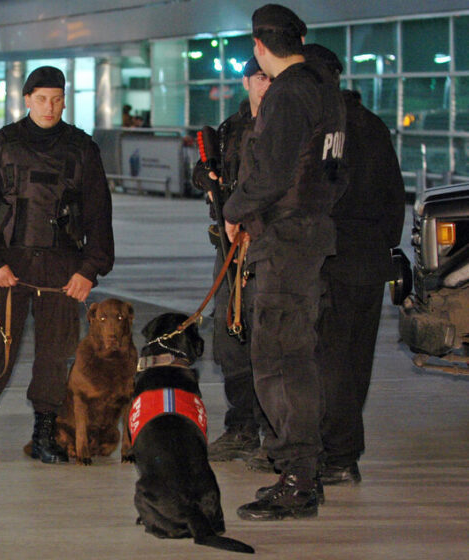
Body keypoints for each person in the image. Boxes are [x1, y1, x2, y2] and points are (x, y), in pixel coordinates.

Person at [0, 66, 114, 464]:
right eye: (42, 98)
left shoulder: (82, 149)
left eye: (57, 99)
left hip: (63, 270)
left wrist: (88, 270)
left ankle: (45, 434)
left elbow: (99, 214)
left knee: (56, 354)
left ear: (65, 101)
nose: (50, 107)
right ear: (27, 99)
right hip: (8, 266)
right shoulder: (0, 145)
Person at [223, 4, 347, 521]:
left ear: (259, 46)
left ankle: (297, 479)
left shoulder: (287, 94)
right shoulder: (326, 92)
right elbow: (335, 175)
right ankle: (301, 471)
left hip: (286, 241)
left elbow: (270, 175)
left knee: (278, 360)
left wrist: (234, 209)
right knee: (296, 355)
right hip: (311, 234)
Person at [302, 43, 406, 487]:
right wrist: (382, 247)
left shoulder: (324, 129)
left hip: (332, 258)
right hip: (369, 261)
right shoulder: (373, 125)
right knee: (356, 361)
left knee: (329, 362)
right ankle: (344, 452)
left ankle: (337, 454)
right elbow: (395, 197)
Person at [192, 57, 273, 470]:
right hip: (228, 255)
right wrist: (206, 180)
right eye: (260, 77)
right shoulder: (231, 128)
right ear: (246, 81)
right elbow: (202, 172)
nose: (267, 84)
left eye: (272, 76)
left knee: (270, 343)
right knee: (230, 342)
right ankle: (241, 427)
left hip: (267, 250)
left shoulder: (286, 126)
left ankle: (273, 433)